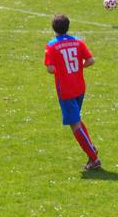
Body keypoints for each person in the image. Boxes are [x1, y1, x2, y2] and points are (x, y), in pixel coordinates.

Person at [43, 14, 102, 171]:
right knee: (77, 120)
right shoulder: (78, 42)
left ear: (53, 28)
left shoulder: (52, 45)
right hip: (79, 86)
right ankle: (91, 149)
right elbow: (90, 61)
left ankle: (94, 158)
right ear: (68, 27)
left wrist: (62, 70)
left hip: (66, 90)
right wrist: (77, 67)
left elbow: (50, 69)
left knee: (74, 124)